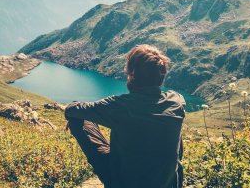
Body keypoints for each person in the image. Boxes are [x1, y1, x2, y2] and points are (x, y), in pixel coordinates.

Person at [65, 44, 185, 188]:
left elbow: (72, 109)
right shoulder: (177, 101)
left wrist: (79, 116)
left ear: (132, 74)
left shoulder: (120, 106)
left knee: (78, 118)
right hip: (168, 184)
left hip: (122, 182)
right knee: (173, 127)